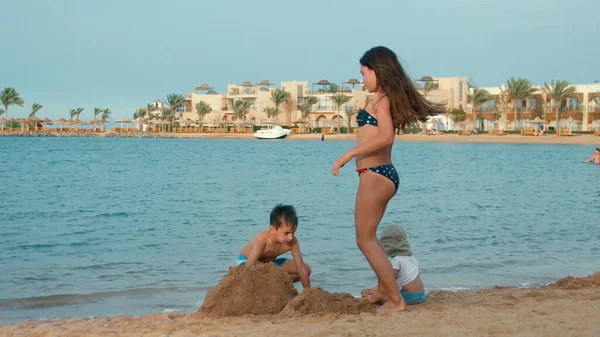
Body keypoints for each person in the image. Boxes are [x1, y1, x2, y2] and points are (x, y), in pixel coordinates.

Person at [331, 46, 445, 313]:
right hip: (378, 175)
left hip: (377, 176)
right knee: (371, 238)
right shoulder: (379, 97)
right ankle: (385, 288)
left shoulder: (382, 100)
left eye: (364, 73)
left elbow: (386, 137)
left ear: (377, 70)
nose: (362, 80)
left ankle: (396, 300)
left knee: (364, 240)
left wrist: (348, 154)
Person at [236, 204, 311, 289]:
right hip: (246, 262)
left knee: (306, 269)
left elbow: (300, 267)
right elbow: (248, 267)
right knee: (273, 271)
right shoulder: (261, 241)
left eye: (293, 232)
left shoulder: (292, 242)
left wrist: (307, 291)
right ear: (272, 229)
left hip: (270, 264)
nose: (290, 237)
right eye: (286, 233)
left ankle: (276, 285)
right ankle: (268, 285)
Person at [361, 225, 425, 305]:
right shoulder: (411, 258)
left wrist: (372, 290)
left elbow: (387, 282)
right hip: (421, 295)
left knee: (386, 295)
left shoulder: (396, 261)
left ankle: (375, 298)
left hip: (408, 296)